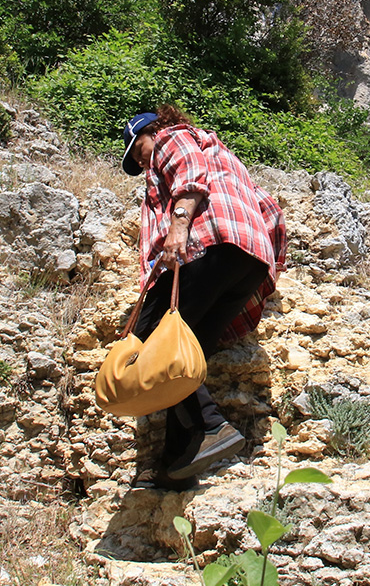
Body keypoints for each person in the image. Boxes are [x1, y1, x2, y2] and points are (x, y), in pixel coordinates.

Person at [120, 105, 287, 490]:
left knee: (148, 345)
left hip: (207, 245)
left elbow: (189, 176)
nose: (141, 162)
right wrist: (268, 264)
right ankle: (176, 465)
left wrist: (178, 228)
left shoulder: (171, 137)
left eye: (137, 151)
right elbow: (270, 210)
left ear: (149, 131)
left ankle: (211, 425)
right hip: (248, 256)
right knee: (187, 358)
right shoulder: (223, 156)